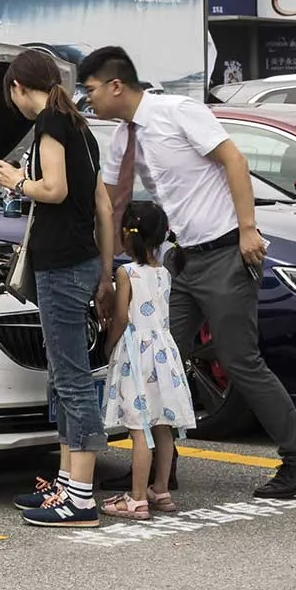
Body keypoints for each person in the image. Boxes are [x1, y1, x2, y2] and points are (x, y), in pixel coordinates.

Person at [77, 45, 296, 498]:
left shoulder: (177, 112)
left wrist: (248, 229)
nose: (87, 98)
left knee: (239, 360)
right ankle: (160, 468)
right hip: (181, 259)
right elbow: (112, 205)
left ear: (115, 86)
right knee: (155, 356)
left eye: (90, 89)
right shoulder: (122, 139)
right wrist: (105, 274)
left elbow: (235, 160)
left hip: (225, 252)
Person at [0, 47, 117, 527]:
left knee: (71, 379)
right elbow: (103, 206)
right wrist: (105, 274)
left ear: (18, 87)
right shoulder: (80, 127)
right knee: (64, 377)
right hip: (82, 263)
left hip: (61, 266)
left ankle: (80, 498)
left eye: (12, 95)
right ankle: (66, 484)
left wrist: (17, 181)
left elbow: (55, 189)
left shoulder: (50, 123)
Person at [100, 200, 197, 520]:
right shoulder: (164, 272)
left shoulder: (126, 272)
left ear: (126, 235)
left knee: (139, 427)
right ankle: (160, 490)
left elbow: (121, 318)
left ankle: (137, 498)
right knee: (163, 425)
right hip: (164, 354)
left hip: (137, 355)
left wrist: (109, 344)